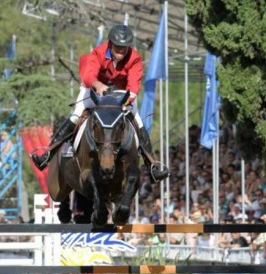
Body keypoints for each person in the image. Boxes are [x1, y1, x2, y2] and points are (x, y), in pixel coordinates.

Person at [31, 24, 169, 182]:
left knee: (137, 120)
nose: (122, 51)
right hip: (95, 90)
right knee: (76, 115)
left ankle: (152, 165)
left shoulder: (135, 58)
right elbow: (89, 76)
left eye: (125, 47)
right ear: (111, 43)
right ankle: (47, 154)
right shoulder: (99, 52)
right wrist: (98, 85)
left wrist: (123, 102)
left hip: (121, 94)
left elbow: (133, 87)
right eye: (118, 47)